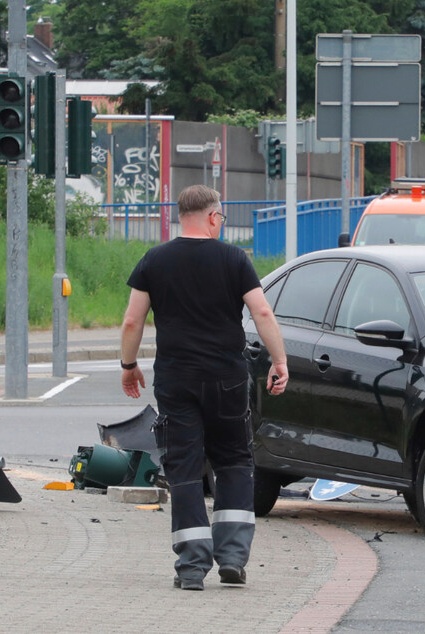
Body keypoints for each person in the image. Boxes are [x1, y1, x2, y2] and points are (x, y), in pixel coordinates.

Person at [119, 184, 288, 591]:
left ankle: (193, 567)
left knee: (185, 468)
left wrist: (128, 366)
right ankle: (232, 558)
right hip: (227, 378)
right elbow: (261, 310)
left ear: (182, 215)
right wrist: (279, 360)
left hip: (177, 380)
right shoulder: (234, 259)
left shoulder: (154, 260)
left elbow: (131, 321)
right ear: (214, 217)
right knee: (233, 462)